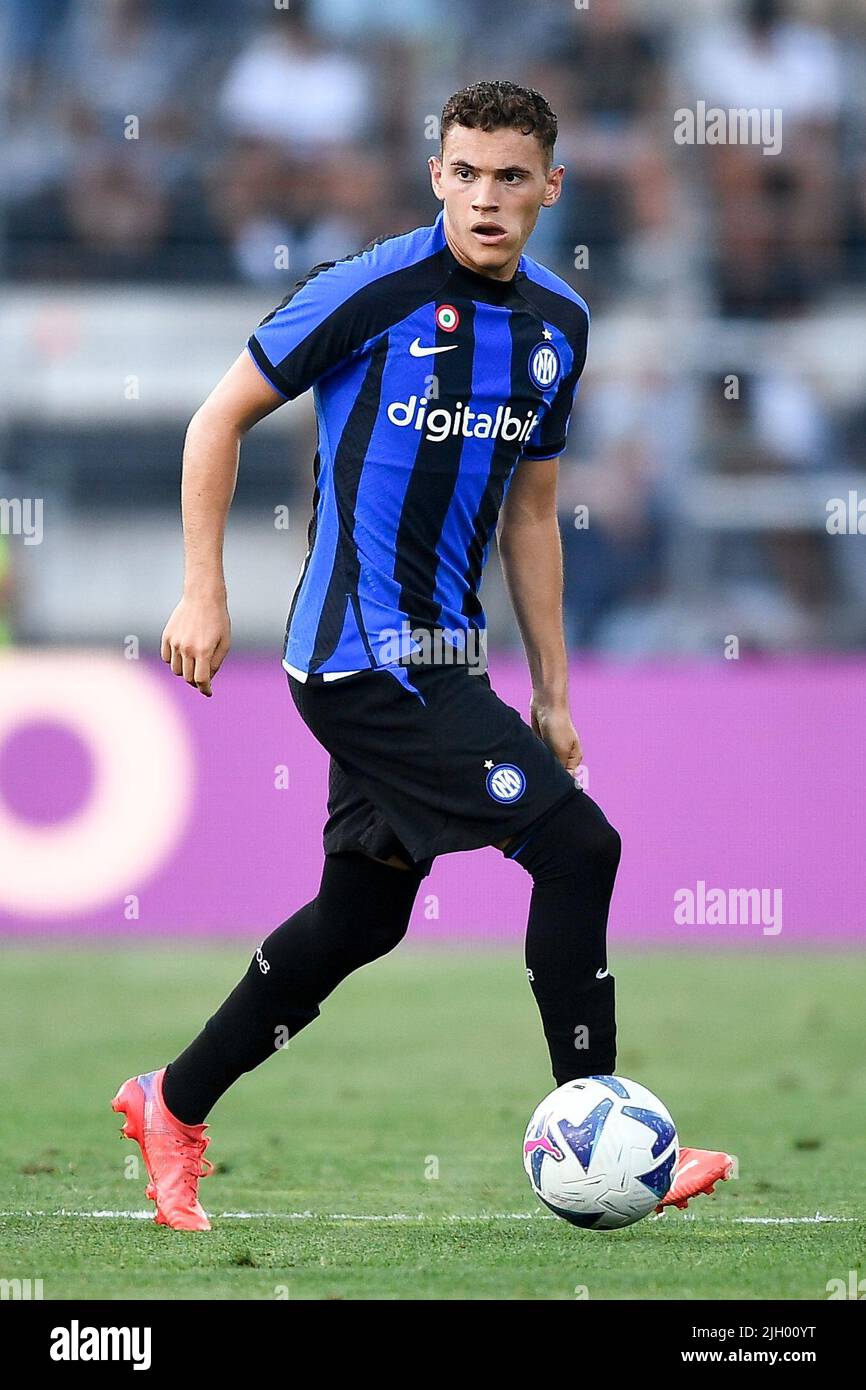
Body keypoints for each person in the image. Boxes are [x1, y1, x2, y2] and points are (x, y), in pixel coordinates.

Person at [113, 81, 732, 1230]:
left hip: (447, 660)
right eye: (465, 172)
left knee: (360, 920)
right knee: (579, 845)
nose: (485, 198)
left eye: (511, 177)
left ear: (552, 185)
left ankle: (171, 1102)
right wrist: (204, 586)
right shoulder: (368, 291)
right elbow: (216, 419)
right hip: (356, 656)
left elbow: (532, 516)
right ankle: (595, 1127)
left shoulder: (558, 326)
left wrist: (549, 688)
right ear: (434, 173)